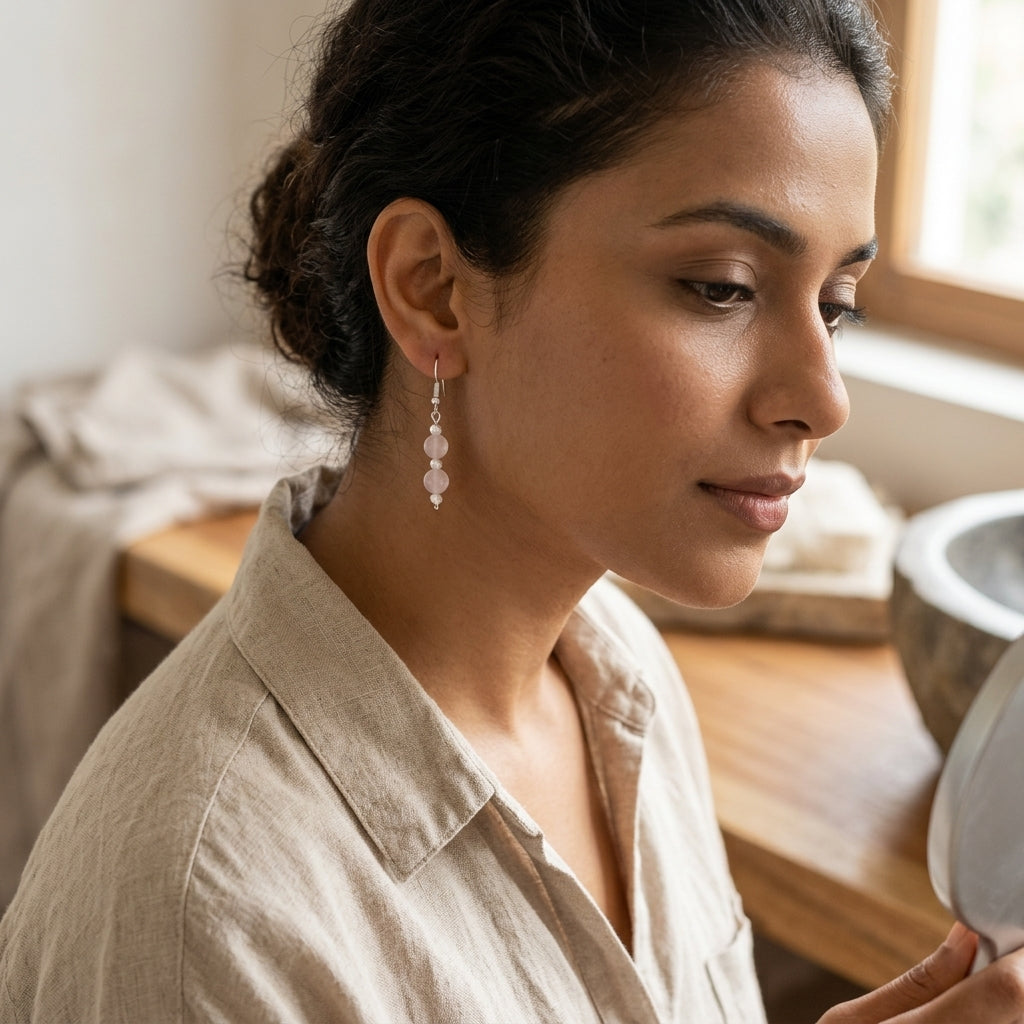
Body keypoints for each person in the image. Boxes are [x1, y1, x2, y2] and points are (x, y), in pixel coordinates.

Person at [3, 0, 1024, 1020]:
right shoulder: (204, 919)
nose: (822, 396)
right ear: (433, 287)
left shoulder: (616, 681)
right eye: (720, 287)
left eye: (834, 305)